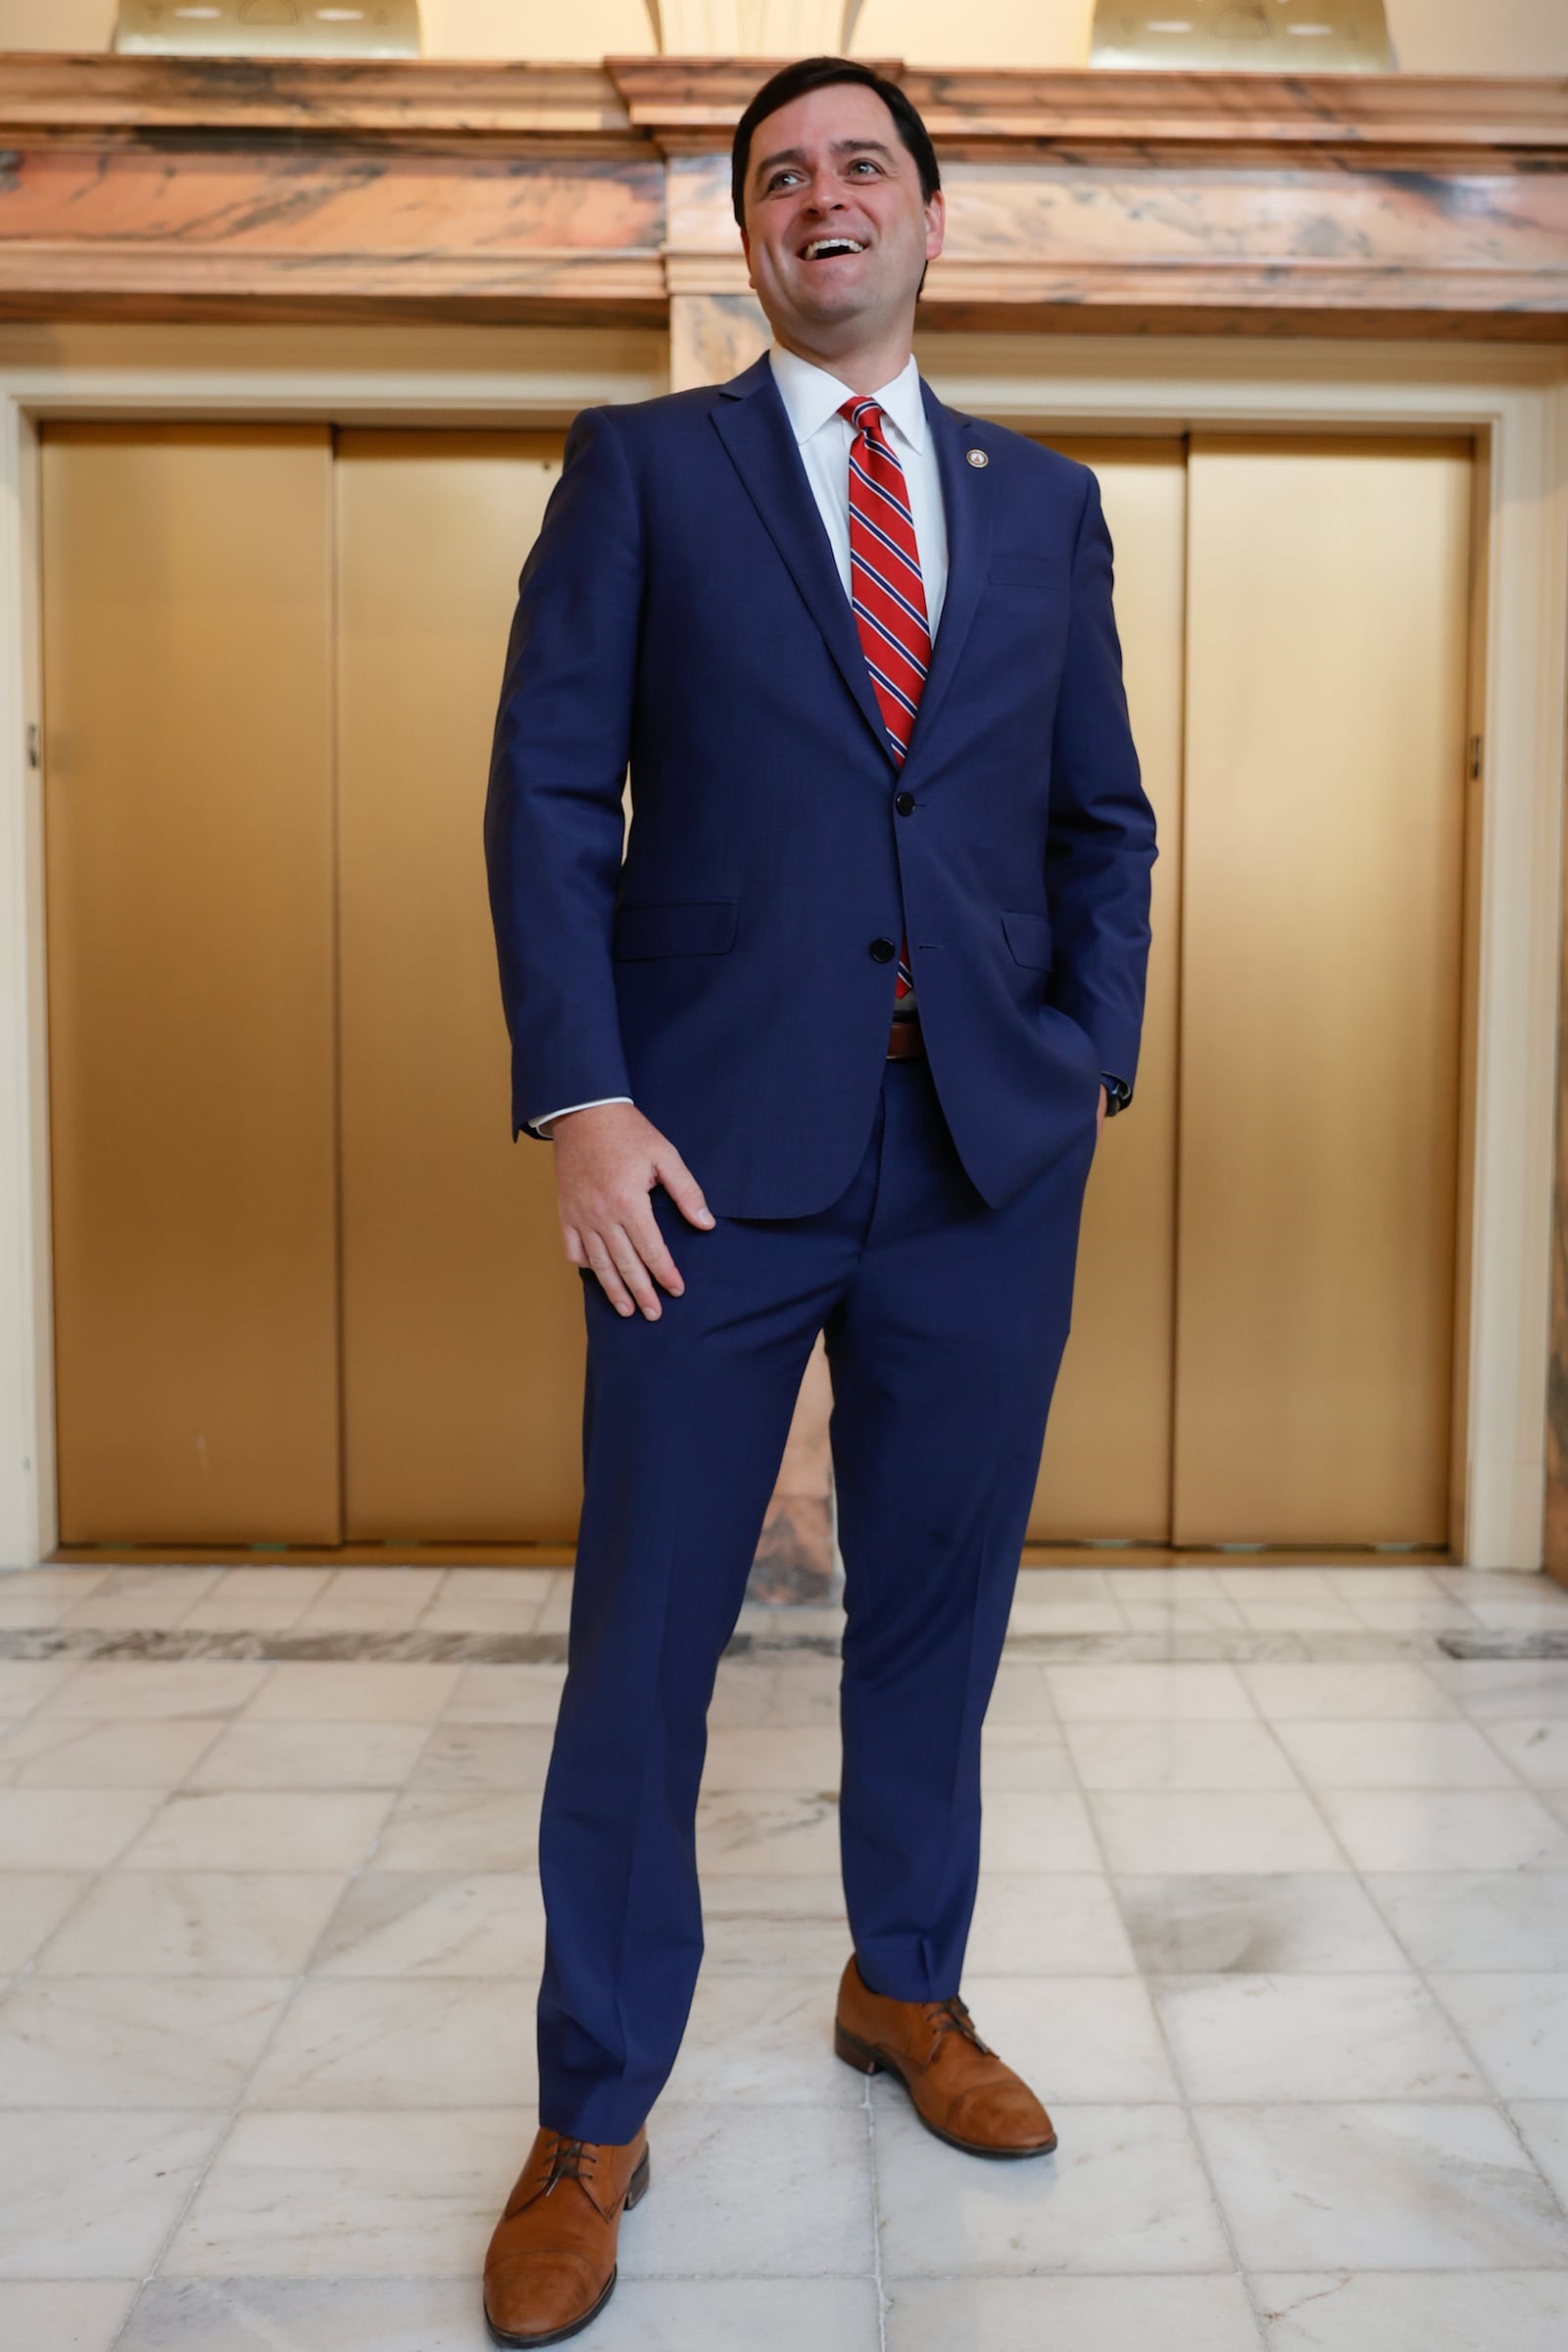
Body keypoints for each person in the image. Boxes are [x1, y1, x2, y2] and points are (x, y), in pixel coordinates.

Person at [479, 52, 1156, 2347]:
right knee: (643, 1646)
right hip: (702, 1162)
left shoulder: (1043, 507)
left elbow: (1100, 827)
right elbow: (552, 787)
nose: (820, 197)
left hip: (983, 1155)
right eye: (778, 177)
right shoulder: (645, 473)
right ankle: (592, 2111)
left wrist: (1083, 1066)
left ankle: (906, 1988)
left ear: (928, 222)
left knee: (935, 1623)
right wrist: (578, 1094)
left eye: (860, 163)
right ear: (752, 243)